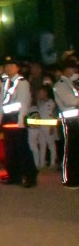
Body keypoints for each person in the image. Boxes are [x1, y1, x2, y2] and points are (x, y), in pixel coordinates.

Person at [0, 58, 36, 187]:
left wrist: (21, 120)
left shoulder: (21, 83)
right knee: (10, 149)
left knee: (22, 149)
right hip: (7, 119)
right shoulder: (4, 83)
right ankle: (14, 175)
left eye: (12, 65)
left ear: (17, 68)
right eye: (7, 65)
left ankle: (30, 176)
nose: (8, 68)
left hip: (17, 119)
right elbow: (0, 103)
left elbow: (24, 102)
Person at [53, 59, 79, 188]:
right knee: (70, 150)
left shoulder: (71, 83)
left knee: (76, 150)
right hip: (70, 121)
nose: (74, 71)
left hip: (76, 120)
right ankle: (70, 179)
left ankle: (76, 177)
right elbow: (72, 101)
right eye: (72, 68)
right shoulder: (61, 84)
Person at [28, 85, 57, 169]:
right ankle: (41, 163)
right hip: (41, 126)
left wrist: (51, 126)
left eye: (40, 93)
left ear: (45, 93)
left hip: (48, 126)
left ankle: (52, 163)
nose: (39, 94)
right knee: (42, 145)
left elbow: (51, 114)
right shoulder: (40, 103)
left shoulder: (50, 103)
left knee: (51, 144)